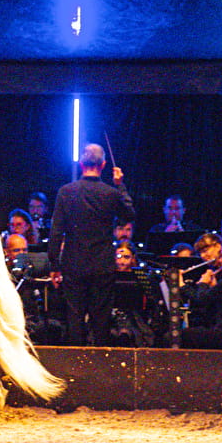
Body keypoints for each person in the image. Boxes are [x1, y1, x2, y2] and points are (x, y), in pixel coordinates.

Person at [48, 143, 135, 346]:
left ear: (81, 164)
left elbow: (56, 231)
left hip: (73, 263)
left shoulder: (66, 192)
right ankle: (100, 367)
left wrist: (54, 265)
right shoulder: (111, 193)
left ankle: (76, 367)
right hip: (102, 265)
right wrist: (120, 184)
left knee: (74, 319)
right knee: (101, 320)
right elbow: (129, 215)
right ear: (103, 165)